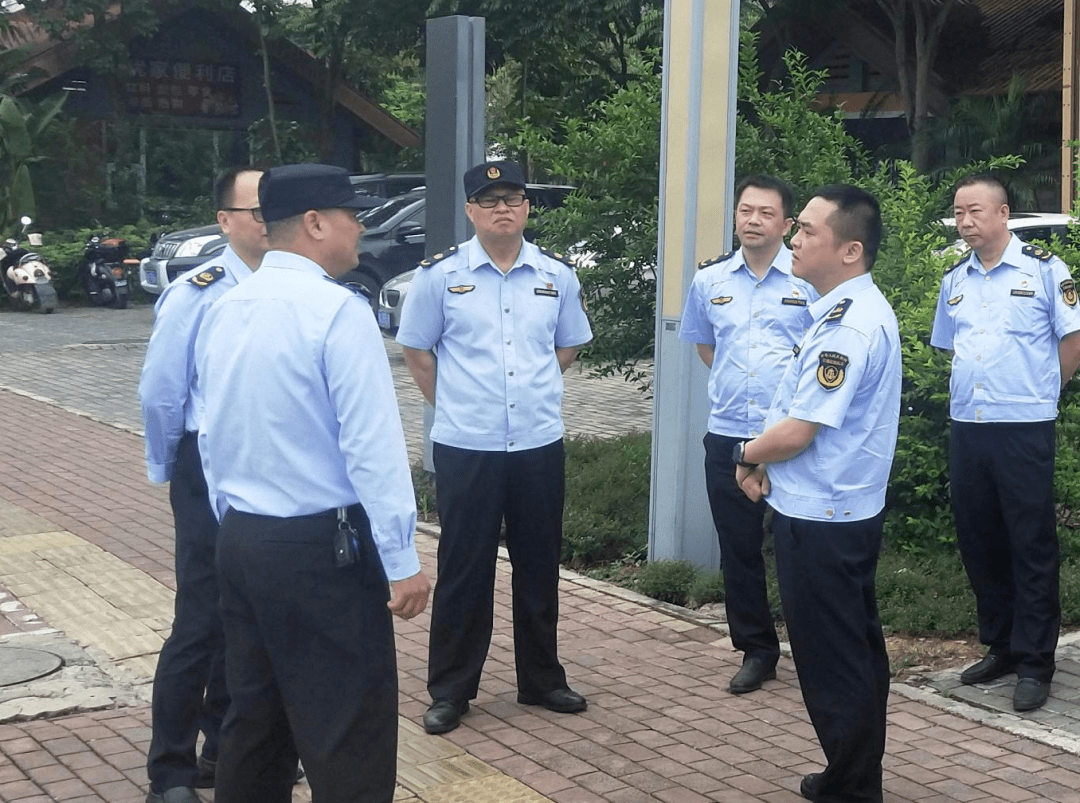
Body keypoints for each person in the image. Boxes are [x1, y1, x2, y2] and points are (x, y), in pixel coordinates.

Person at [194, 163, 431, 803]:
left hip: (243, 538)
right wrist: (402, 559)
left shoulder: (224, 306)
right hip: (321, 549)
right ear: (315, 223)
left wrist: (232, 524)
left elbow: (211, 434)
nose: (361, 227)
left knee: (256, 720)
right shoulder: (337, 312)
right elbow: (372, 448)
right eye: (351, 214)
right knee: (347, 728)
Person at [397, 159, 593, 735]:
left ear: (528, 207)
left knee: (539, 564)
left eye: (512, 198)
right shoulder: (439, 276)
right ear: (470, 211)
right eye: (489, 200)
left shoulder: (556, 276)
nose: (502, 208)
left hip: (536, 441)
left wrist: (533, 387)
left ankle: (541, 679)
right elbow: (417, 351)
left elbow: (568, 345)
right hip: (467, 444)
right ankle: (452, 689)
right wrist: (457, 402)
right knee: (465, 568)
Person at [735, 185, 900, 803]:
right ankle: (852, 772)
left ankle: (853, 786)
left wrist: (743, 454)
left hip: (823, 517)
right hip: (837, 508)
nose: (793, 239)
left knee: (835, 662)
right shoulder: (841, 309)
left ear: (850, 249)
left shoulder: (847, 327)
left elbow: (801, 431)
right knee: (854, 651)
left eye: (806, 231)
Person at [139, 166, 266, 803]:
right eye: (254, 210)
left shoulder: (297, 287)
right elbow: (161, 392)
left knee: (251, 618)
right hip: (205, 464)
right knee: (200, 621)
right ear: (224, 221)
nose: (268, 219)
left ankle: (227, 749)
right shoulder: (199, 291)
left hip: (266, 472)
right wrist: (168, 468)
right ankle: (171, 770)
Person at [931, 174, 1080, 713]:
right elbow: (952, 346)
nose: (964, 222)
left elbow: (1072, 339)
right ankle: (1002, 646)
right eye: (958, 213)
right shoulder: (956, 278)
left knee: (1030, 543)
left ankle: (1038, 661)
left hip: (1023, 426)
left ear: (1003, 214)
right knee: (980, 537)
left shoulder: (1045, 270)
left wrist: (1042, 394)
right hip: (968, 425)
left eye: (974, 211)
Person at [679, 174, 816, 695]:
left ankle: (812, 645)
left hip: (791, 439)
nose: (753, 220)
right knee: (738, 549)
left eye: (765, 213)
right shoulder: (710, 282)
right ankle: (757, 650)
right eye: (745, 211)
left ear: (786, 224)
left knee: (799, 547)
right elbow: (707, 347)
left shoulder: (808, 281)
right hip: (729, 434)